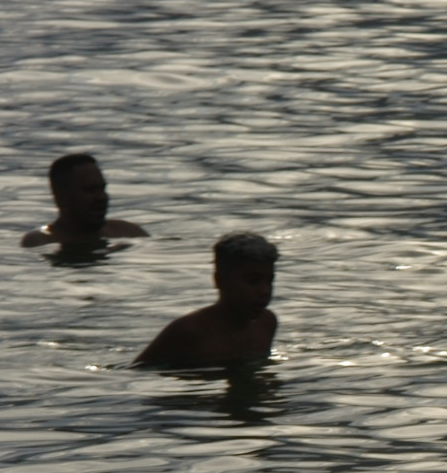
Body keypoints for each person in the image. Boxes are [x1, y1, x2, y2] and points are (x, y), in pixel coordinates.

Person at [134, 232, 278, 368]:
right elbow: (137, 371)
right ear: (220, 280)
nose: (265, 291)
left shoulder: (267, 323)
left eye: (269, 281)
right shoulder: (189, 331)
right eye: (253, 281)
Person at [21, 153, 148, 249]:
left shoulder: (129, 233)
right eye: (89, 190)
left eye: (102, 188)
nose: (101, 197)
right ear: (61, 196)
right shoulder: (40, 241)